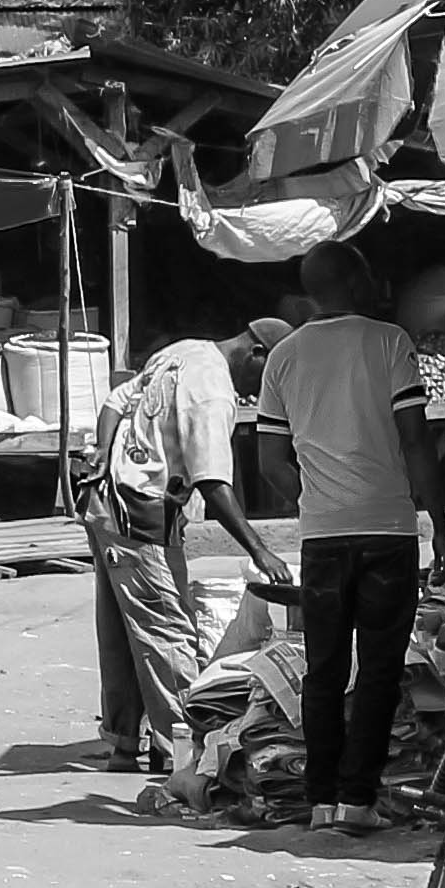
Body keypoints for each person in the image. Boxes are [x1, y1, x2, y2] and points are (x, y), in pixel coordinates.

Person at [252, 248, 445, 833]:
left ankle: (319, 802)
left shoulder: (282, 357)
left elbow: (269, 461)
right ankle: (358, 802)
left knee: (324, 669)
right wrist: (440, 524)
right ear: (357, 280)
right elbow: (415, 442)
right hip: (387, 530)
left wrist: (315, 499)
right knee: (380, 670)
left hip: (324, 537)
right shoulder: (390, 341)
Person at [87, 323, 290, 780]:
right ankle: (191, 752)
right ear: (256, 354)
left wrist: (103, 447)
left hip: (106, 503)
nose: (262, 391)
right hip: (140, 513)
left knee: (123, 631)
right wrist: (260, 551)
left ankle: (123, 742)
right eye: (268, 377)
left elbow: (116, 400)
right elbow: (212, 483)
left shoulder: (183, 350)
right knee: (167, 635)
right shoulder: (214, 391)